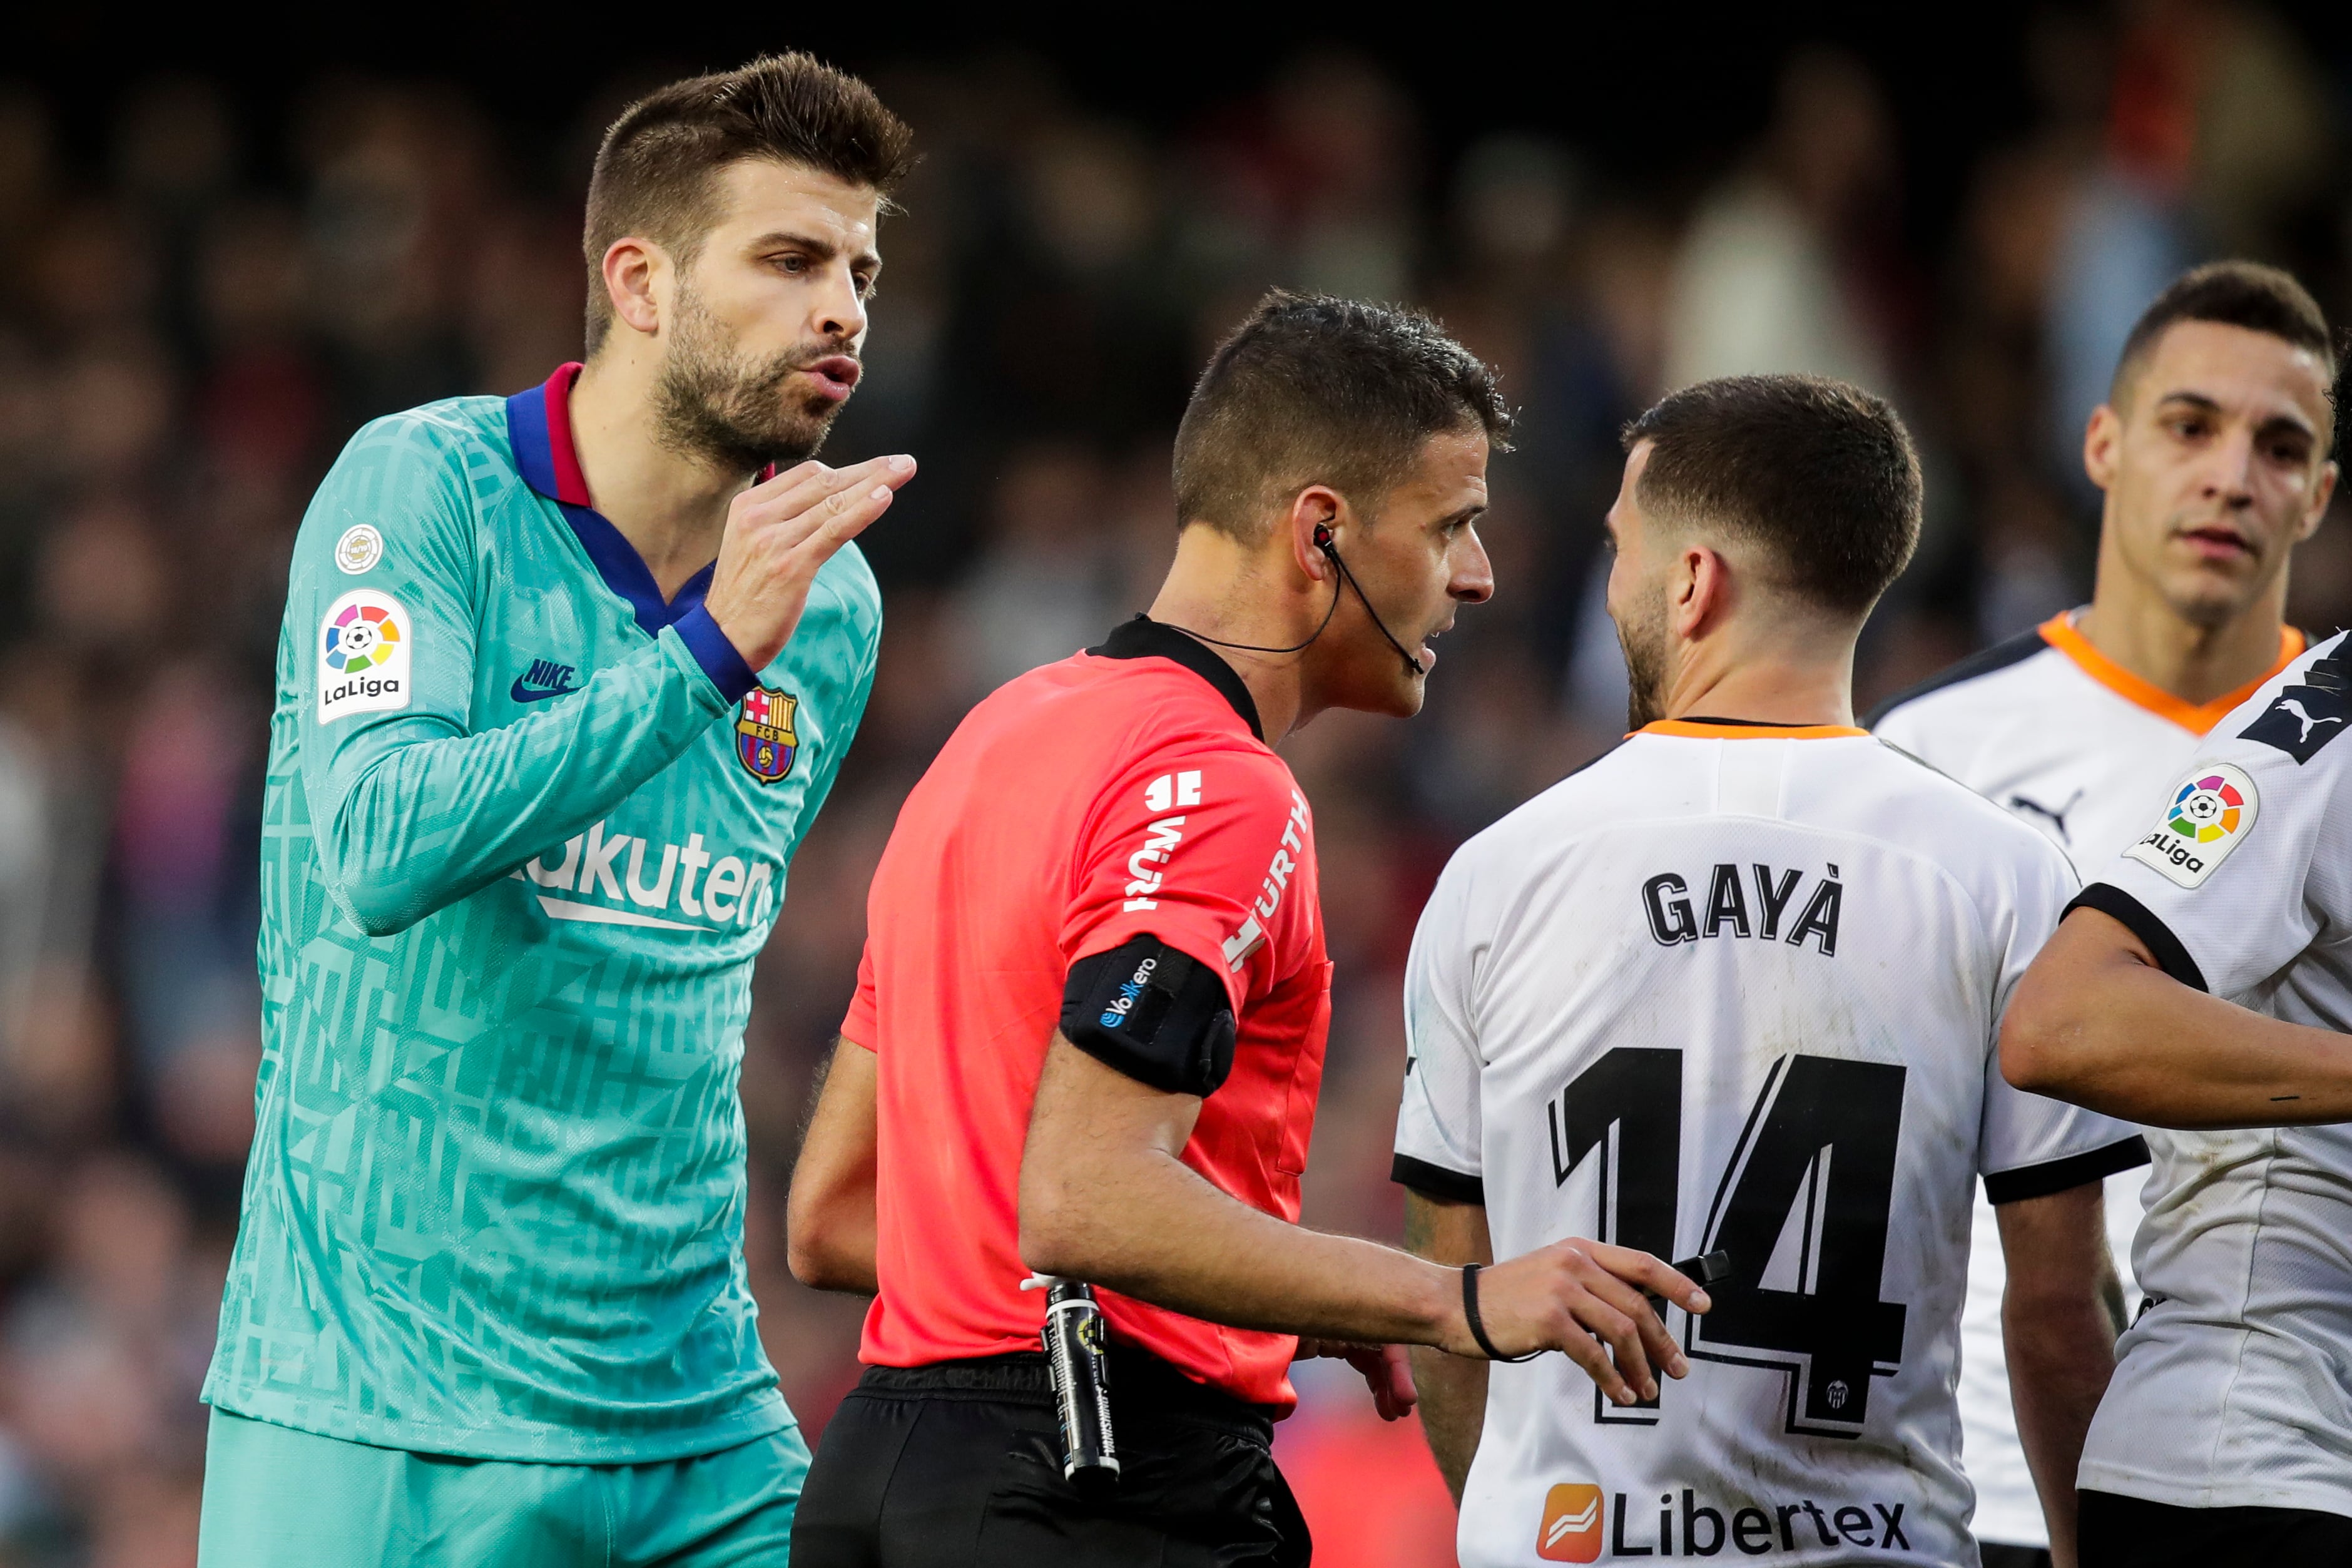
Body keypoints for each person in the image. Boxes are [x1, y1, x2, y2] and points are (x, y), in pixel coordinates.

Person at [785, 293, 1713, 1567]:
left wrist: (1274, 1287)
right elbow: (1083, 1194)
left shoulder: (990, 743)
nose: (1476, 575)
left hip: (878, 1481)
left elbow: (837, 1214)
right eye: (1448, 524)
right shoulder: (1224, 785)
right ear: (1319, 530)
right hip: (1093, 1489)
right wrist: (1455, 1298)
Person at [194, 56, 917, 1568]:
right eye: (787, 260)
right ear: (638, 282)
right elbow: (385, 842)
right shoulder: (421, 486)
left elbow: (681, 949)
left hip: (696, 1415)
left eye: (859, 267)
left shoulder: (829, 600)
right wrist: (707, 651)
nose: (843, 306)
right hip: (380, 1410)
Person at [1393, 375, 2147, 1568]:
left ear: (1693, 582)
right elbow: (2060, 1311)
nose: (1612, 586)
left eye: (1621, 550)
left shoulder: (1498, 876)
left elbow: (1455, 1295)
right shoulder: (2008, 881)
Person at [1870, 260, 2336, 1568]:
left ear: (2318, 495)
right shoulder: (1929, 749)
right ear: (2104, 442)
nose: (2231, 475)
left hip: (2268, 1448)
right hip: (1967, 1472)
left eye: (2279, 444)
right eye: (2190, 426)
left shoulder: (2333, 761)